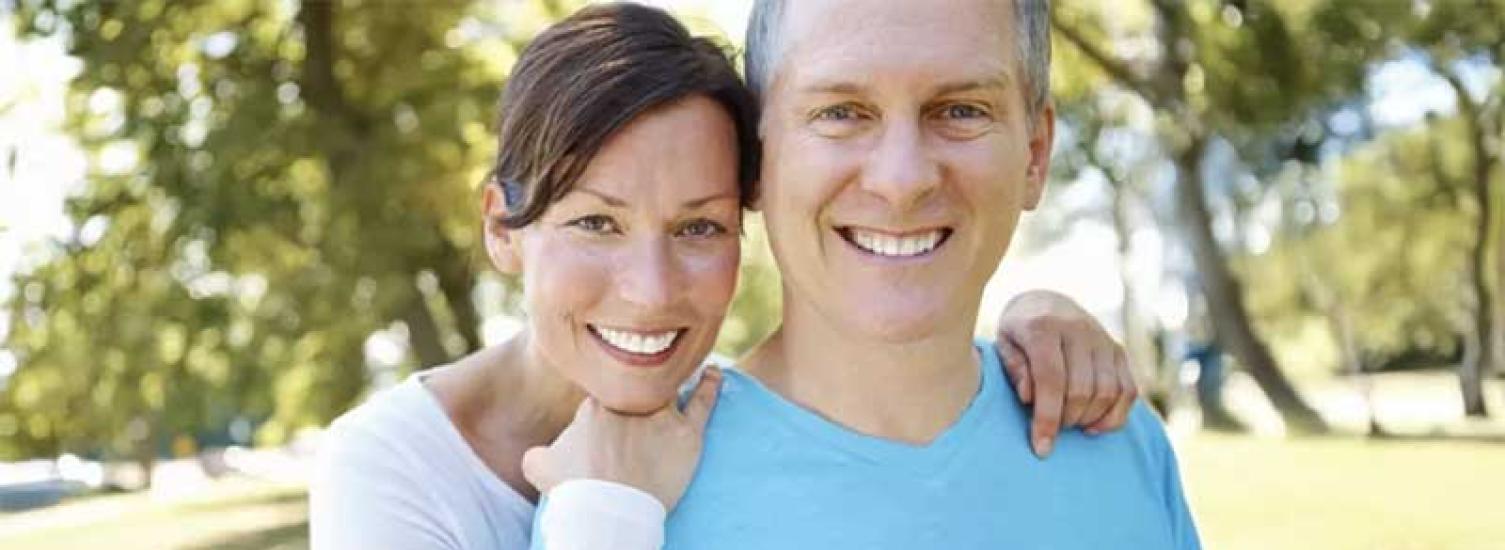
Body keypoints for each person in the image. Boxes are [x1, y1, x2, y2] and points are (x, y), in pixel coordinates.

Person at [311, 3, 1139, 549]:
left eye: (699, 226)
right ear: (502, 226)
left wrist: (1037, 309)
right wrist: (605, 514)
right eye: (596, 222)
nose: (650, 289)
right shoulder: (390, 470)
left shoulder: (701, 419)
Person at [525, 1, 1200, 548]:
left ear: (1033, 154)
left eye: (960, 110)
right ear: (758, 160)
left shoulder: (1118, 444)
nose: (900, 180)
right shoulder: (620, 499)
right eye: (840, 113)